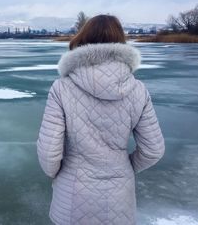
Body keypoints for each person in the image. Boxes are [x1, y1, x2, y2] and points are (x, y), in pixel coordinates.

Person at [36, 14, 165, 225]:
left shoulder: (62, 87)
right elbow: (154, 150)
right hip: (119, 197)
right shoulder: (138, 90)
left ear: (83, 39)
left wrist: (64, 174)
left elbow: (49, 153)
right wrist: (125, 166)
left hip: (72, 193)